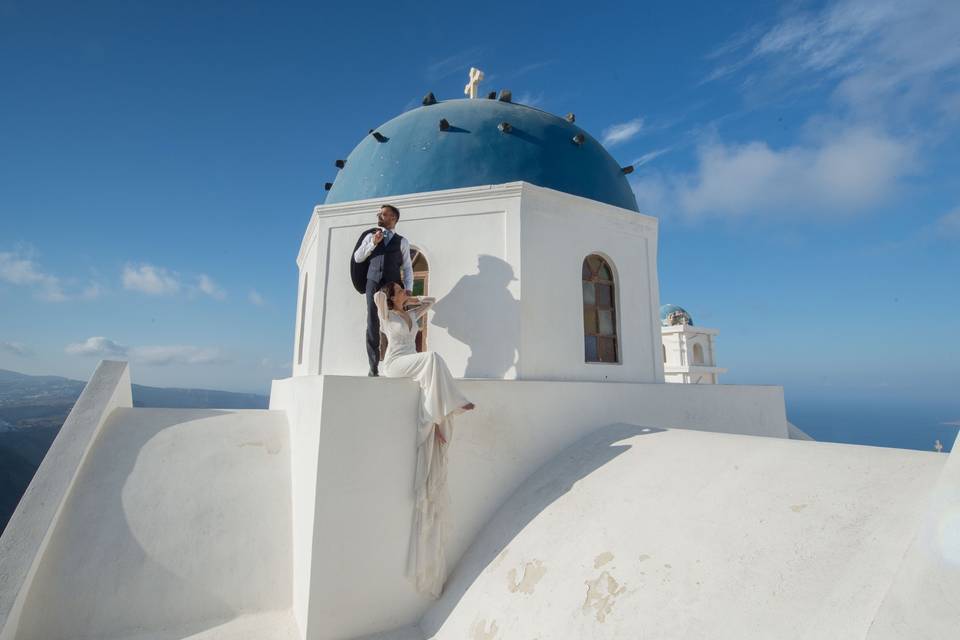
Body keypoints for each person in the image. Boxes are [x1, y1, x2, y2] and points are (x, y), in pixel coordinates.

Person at [373, 281, 475, 599]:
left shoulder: (411, 315)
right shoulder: (385, 312)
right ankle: (452, 404)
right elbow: (377, 296)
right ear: (392, 296)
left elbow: (429, 300)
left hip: (412, 364)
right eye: (402, 289)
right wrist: (391, 296)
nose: (406, 291)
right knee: (432, 359)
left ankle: (441, 414)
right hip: (395, 365)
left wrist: (411, 301)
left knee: (431, 363)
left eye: (405, 290)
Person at [352, 204, 414, 376]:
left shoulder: (402, 241)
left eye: (383, 214)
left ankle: (395, 361)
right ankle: (373, 367)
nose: (379, 215)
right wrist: (373, 243)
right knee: (373, 321)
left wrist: (408, 289)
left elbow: (407, 267)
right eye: (379, 213)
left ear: (393, 217)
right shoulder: (371, 236)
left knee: (394, 320)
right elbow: (358, 258)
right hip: (373, 282)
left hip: (393, 285)